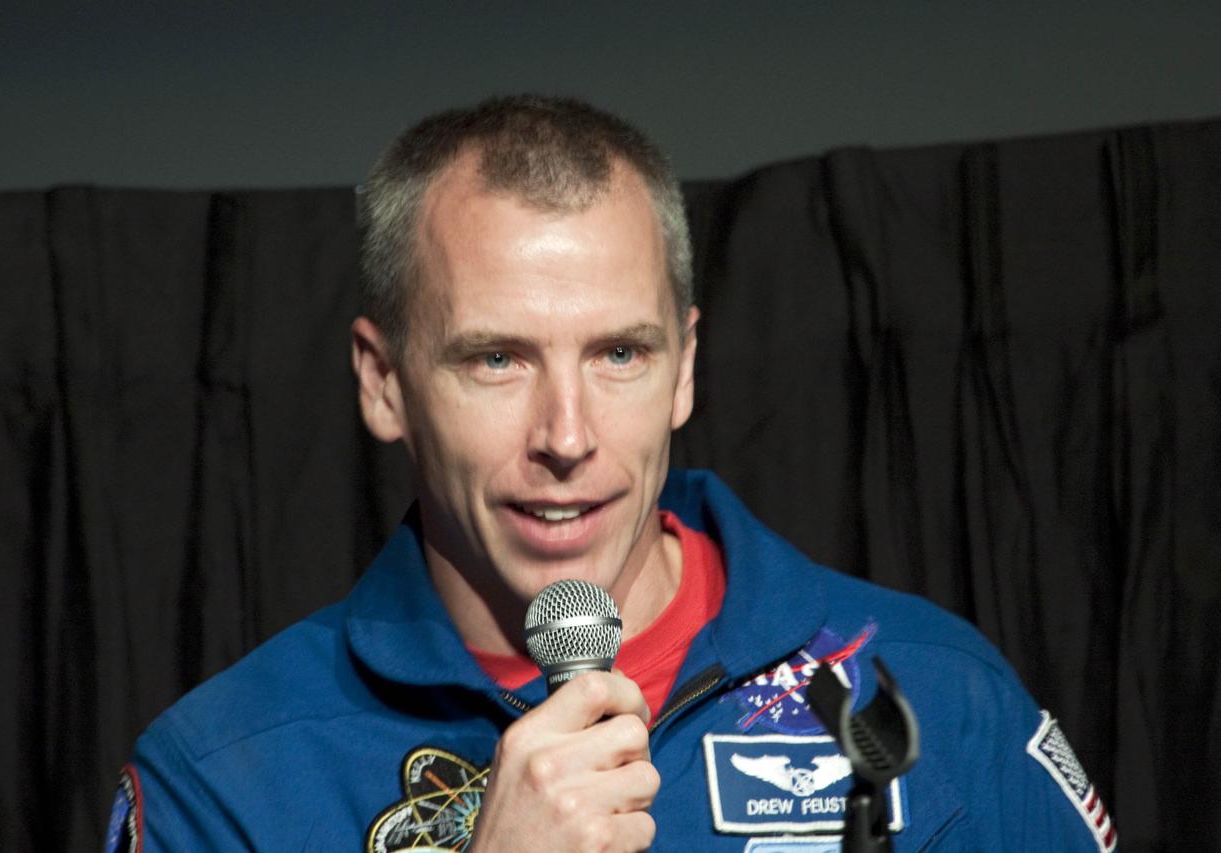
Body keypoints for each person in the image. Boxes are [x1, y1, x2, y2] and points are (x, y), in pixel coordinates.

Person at [106, 95, 1116, 852]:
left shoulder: (928, 690)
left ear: (683, 367)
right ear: (382, 384)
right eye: (495, 357)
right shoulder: (223, 775)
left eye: (617, 355)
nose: (566, 434)